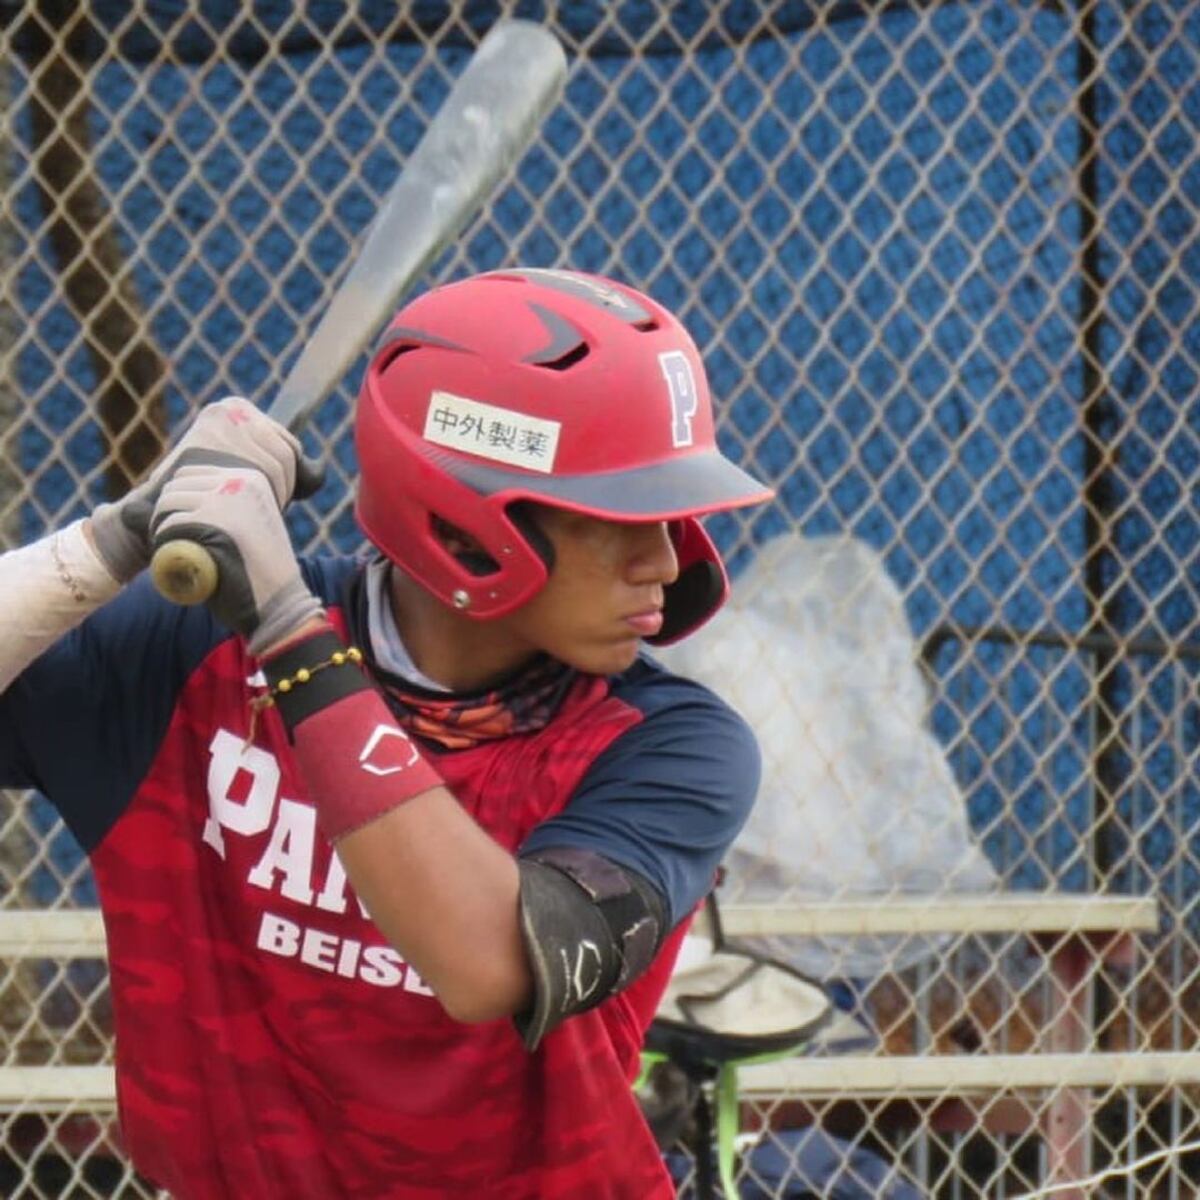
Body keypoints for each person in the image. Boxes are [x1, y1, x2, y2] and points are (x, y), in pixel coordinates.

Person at [0, 267, 773, 1199]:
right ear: (471, 526)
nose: (669, 559)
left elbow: (486, 959)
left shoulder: (668, 746)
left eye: (673, 515)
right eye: (622, 518)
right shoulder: (189, 660)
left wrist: (286, 626)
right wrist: (116, 538)